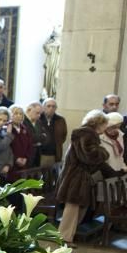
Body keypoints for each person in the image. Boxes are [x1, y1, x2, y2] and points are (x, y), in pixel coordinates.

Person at [56, 111, 124, 244]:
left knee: (78, 209)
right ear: (98, 124)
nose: (106, 128)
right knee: (72, 210)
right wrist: (104, 153)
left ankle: (67, 237)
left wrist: (114, 172)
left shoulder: (89, 135)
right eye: (105, 124)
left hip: (81, 177)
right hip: (76, 178)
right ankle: (63, 239)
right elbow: (90, 156)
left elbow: (96, 161)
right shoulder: (85, 134)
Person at [38, 97, 68, 170]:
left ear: (56, 108)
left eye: (53, 106)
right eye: (48, 106)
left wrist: (57, 143)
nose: (51, 108)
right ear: (43, 107)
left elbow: (63, 135)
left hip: (54, 154)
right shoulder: (38, 118)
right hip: (40, 154)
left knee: (52, 177)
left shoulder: (60, 120)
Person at [8, 106, 35, 176]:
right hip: (11, 164)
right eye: (16, 113)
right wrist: (15, 159)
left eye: (21, 114)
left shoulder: (24, 128)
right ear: (10, 115)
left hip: (24, 164)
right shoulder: (7, 128)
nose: (18, 116)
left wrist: (26, 158)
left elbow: (30, 145)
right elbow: (6, 147)